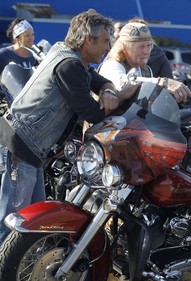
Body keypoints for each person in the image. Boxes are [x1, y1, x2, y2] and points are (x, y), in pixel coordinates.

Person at [0, 9, 139, 244]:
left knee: (35, 221)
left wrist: (107, 91)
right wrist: (121, 96)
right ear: (88, 40)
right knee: (14, 225)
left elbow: (100, 81)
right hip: (20, 147)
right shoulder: (69, 65)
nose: (108, 47)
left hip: (30, 148)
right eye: (105, 41)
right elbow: (91, 113)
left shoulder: (72, 57)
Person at [98, 21, 191, 103]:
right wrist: (164, 82)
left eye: (149, 46)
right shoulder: (111, 65)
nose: (147, 51)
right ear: (124, 48)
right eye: (141, 47)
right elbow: (123, 82)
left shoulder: (145, 70)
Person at [0, 19, 36, 184]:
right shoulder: (4, 55)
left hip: (28, 113)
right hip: (8, 110)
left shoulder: (34, 56)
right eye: (27, 35)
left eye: (32, 35)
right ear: (17, 37)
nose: (31, 38)